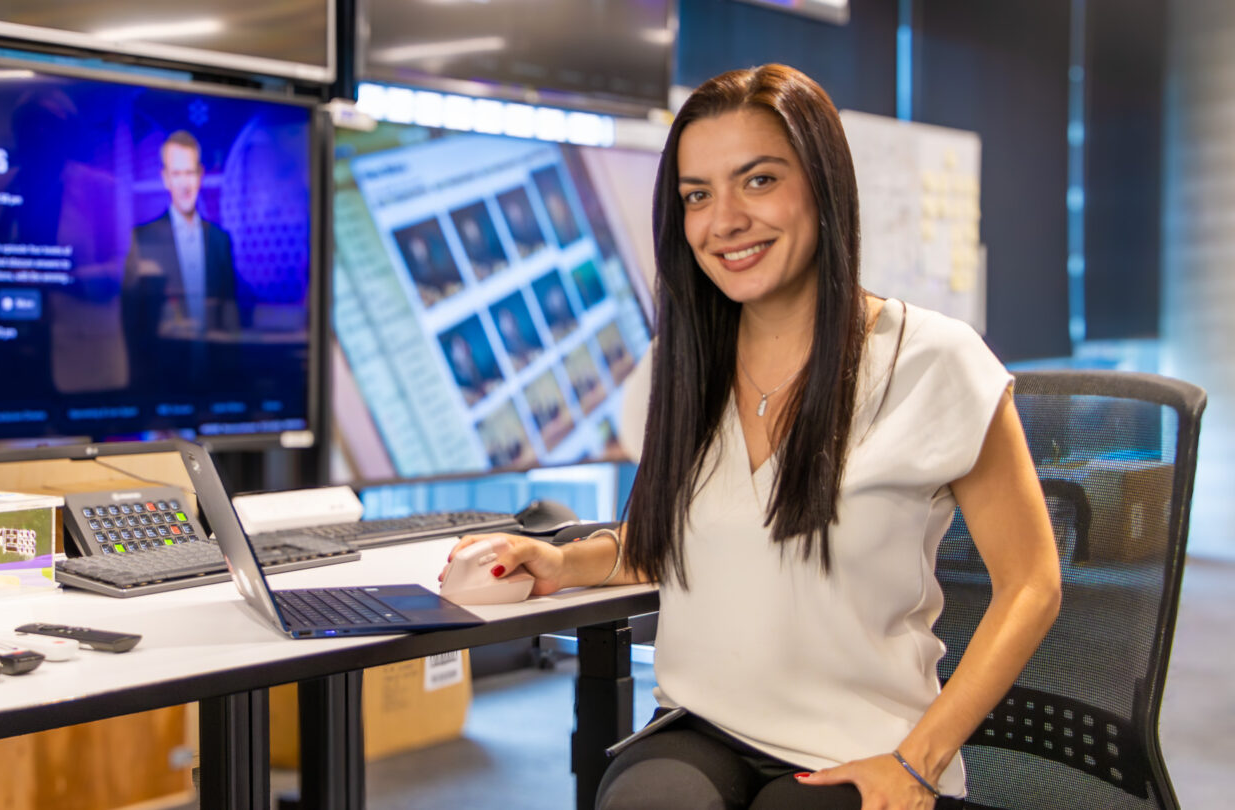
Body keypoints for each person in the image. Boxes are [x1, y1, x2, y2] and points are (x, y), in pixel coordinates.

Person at [443, 64, 1061, 810]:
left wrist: (918, 762)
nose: (723, 221)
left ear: (823, 186)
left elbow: (1033, 584)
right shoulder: (679, 367)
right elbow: (673, 538)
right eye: (697, 195)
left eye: (758, 181)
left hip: (867, 747)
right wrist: (559, 561)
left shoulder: (934, 361)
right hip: (702, 727)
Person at [123, 130, 240, 342]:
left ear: (200, 175)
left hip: (214, 368)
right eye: (177, 175)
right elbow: (132, 323)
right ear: (165, 179)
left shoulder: (219, 241)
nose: (184, 184)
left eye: (190, 173)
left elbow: (230, 318)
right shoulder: (142, 239)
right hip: (162, 370)